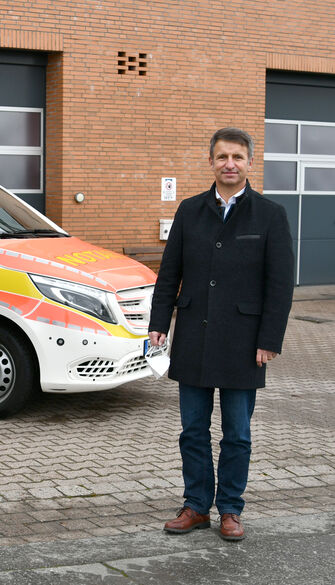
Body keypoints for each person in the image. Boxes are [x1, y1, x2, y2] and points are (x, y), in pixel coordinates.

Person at [148, 127, 294, 541]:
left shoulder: (270, 215)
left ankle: (230, 508)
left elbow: (280, 285)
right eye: (222, 157)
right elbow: (170, 273)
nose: (230, 164)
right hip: (194, 335)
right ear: (210, 161)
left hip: (244, 344)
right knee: (192, 430)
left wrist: (270, 339)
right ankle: (196, 506)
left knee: (237, 433)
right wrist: (159, 323)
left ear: (250, 162)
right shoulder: (189, 210)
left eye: (237, 157)